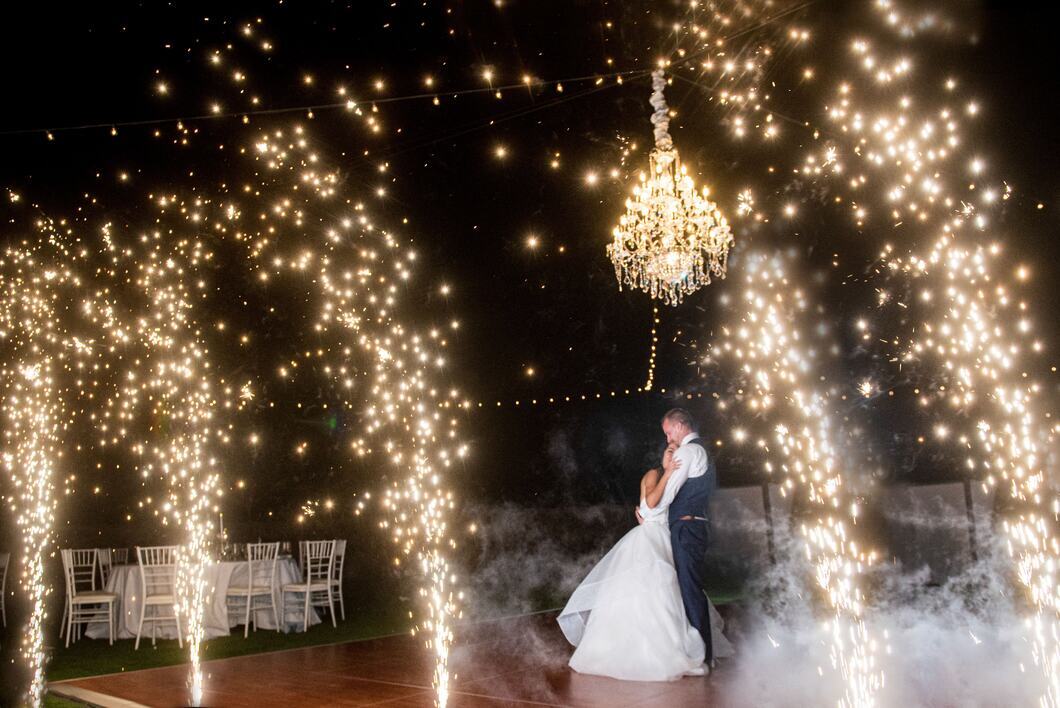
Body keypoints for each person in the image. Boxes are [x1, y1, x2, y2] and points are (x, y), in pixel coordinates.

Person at [556, 408, 731, 681]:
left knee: (682, 589)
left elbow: (661, 502)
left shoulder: (684, 460)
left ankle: (697, 650)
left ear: (679, 426)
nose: (672, 452)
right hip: (660, 535)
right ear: (662, 454)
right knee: (669, 590)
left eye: (672, 441)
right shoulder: (659, 472)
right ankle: (684, 651)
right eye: (668, 448)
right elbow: (651, 504)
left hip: (674, 532)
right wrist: (660, 485)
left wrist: (659, 493)